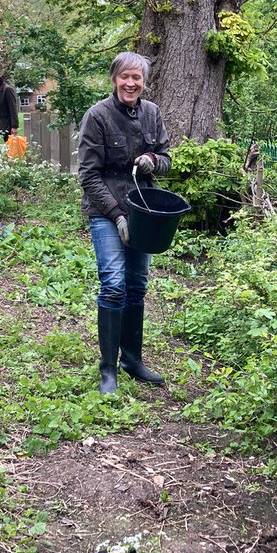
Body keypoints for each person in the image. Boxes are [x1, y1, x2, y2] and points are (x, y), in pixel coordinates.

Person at [77, 52, 171, 395]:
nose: (131, 83)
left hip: (143, 211)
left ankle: (132, 360)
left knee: (137, 286)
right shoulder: (97, 116)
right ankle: (108, 371)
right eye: (125, 77)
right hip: (106, 210)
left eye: (137, 78)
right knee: (114, 284)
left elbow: (166, 158)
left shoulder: (152, 113)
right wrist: (115, 215)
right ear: (114, 79)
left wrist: (152, 161)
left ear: (144, 81)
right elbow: (88, 175)